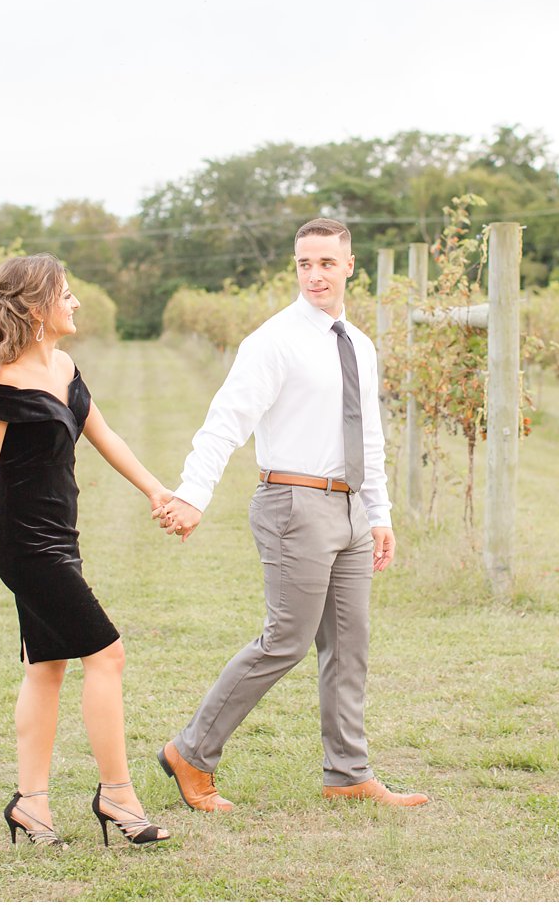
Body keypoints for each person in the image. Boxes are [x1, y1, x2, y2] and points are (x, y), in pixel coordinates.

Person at [152, 218, 428, 811]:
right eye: (304, 264)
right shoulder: (273, 341)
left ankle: (348, 772)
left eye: (326, 263)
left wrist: (378, 513)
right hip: (293, 503)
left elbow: (369, 435)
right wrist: (193, 494)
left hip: (352, 507)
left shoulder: (360, 344)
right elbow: (226, 421)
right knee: (286, 640)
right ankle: (190, 753)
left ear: (349, 265)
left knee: (349, 644)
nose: (315, 275)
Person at [0, 254, 171, 847]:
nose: (75, 303)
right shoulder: (1, 384)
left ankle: (32, 804)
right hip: (24, 546)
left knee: (45, 667)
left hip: (62, 539)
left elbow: (105, 436)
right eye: (65, 294)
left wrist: (156, 490)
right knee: (108, 653)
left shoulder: (66, 366)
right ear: (35, 308)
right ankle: (117, 794)